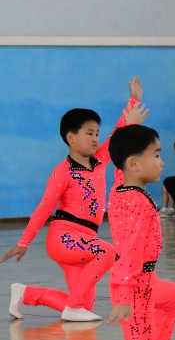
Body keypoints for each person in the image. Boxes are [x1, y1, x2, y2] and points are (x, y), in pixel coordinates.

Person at [48, 124, 175, 340]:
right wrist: (125, 298)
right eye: (157, 155)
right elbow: (129, 253)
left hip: (147, 282)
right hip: (135, 290)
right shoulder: (135, 202)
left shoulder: (121, 190)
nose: (162, 162)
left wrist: (130, 118)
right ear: (134, 164)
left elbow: (117, 165)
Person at [5, 79, 146, 322]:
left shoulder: (100, 161)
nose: (95, 139)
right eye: (89, 133)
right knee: (107, 251)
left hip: (86, 238)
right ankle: (71, 305)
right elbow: (44, 207)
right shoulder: (63, 171)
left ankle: (26, 293)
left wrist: (132, 102)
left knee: (82, 305)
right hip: (64, 238)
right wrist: (24, 241)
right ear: (71, 137)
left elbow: (117, 135)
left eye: (97, 133)